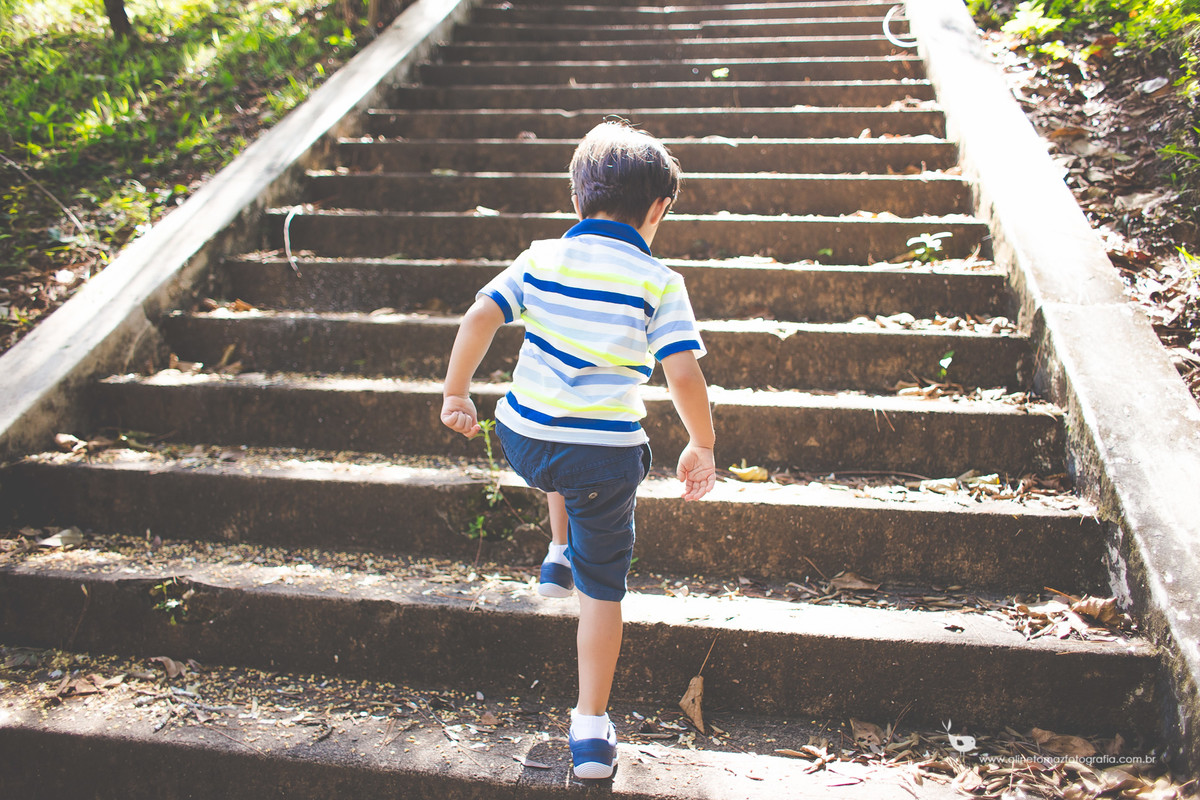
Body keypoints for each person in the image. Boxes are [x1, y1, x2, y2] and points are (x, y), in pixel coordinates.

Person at [440, 120, 716, 780]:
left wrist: (456, 394)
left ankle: (555, 552)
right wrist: (701, 443)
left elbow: (480, 315)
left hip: (523, 437)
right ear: (658, 210)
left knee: (562, 453)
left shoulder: (541, 257)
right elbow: (681, 373)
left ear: (575, 203)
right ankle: (590, 730)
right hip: (602, 458)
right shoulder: (658, 281)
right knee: (602, 591)